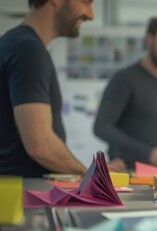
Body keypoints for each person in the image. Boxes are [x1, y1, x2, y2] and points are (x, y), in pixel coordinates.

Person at [0, 0, 126, 177]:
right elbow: (41, 145)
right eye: (86, 2)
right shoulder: (28, 49)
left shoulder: (15, 43)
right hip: (22, 196)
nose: (91, 15)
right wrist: (90, 173)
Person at [94, 14, 157, 168]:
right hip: (130, 176)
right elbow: (101, 127)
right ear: (149, 40)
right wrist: (148, 153)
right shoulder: (124, 79)